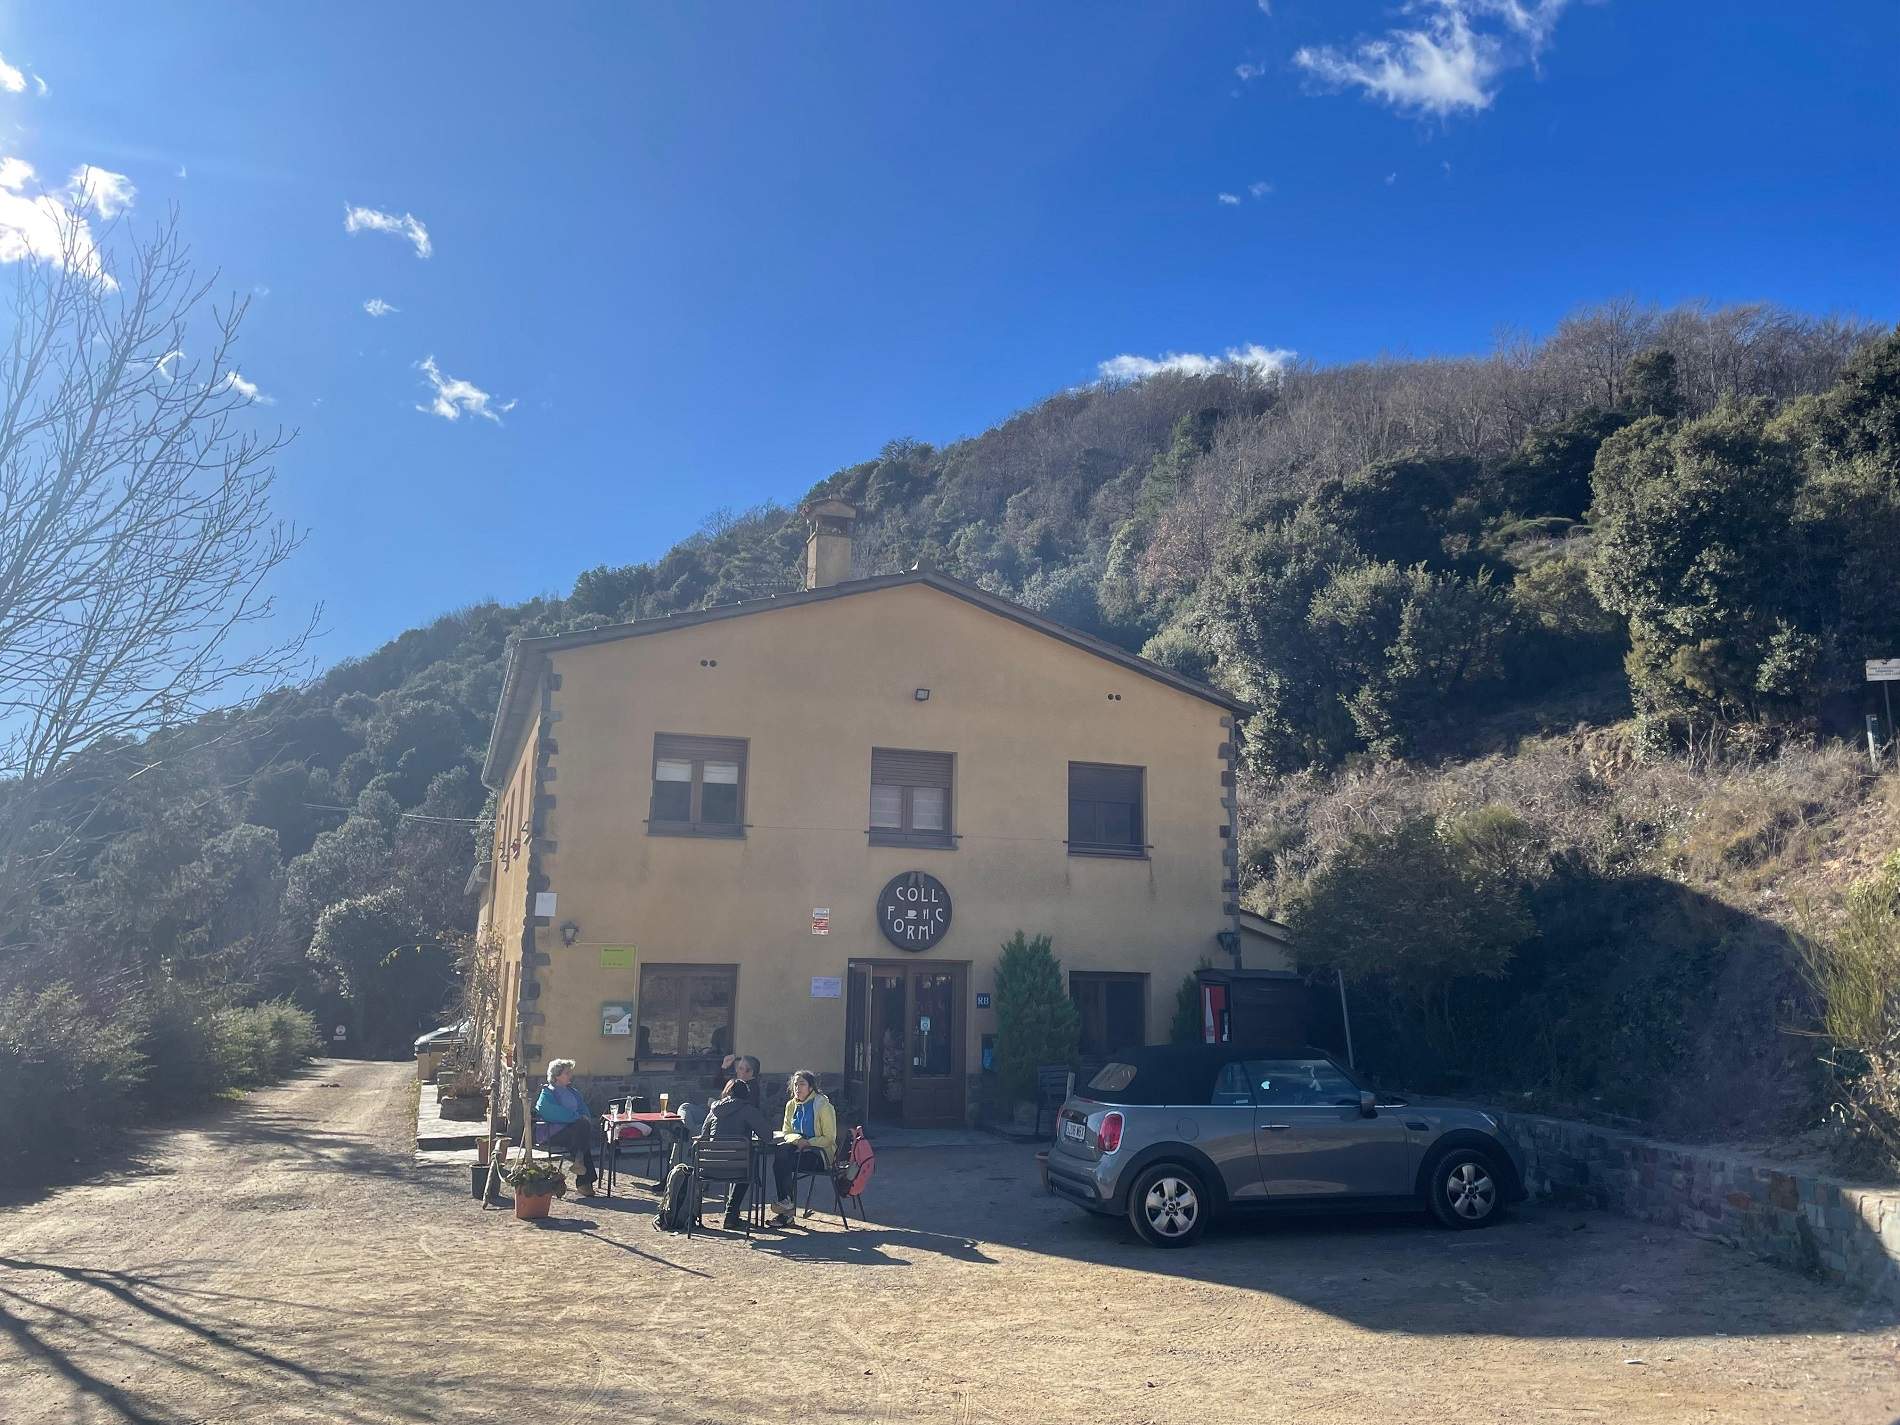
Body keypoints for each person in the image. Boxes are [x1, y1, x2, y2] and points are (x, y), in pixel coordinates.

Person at [694, 1077, 774, 1229]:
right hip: (738, 1169)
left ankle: (701, 1217)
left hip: (710, 1169)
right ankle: (731, 1214)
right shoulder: (748, 1110)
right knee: (748, 1163)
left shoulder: (714, 1111)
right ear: (746, 1095)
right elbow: (768, 1136)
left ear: (727, 1093)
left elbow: (702, 1137)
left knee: (739, 1161)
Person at [769, 1070, 836, 1226]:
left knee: (784, 1161)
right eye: (795, 1085)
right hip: (797, 1150)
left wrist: (808, 1143)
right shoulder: (791, 1105)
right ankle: (786, 1205)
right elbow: (786, 1132)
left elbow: (829, 1138)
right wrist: (798, 1140)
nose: (798, 1088)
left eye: (802, 1084)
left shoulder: (823, 1106)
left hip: (819, 1155)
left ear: (811, 1087)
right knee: (781, 1154)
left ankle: (786, 1211)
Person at [534, 1059, 598, 1194]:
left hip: (574, 1132)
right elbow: (549, 1111)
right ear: (557, 1076)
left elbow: (583, 1109)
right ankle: (583, 1180)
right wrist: (575, 1117)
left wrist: (583, 1117)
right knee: (581, 1133)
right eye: (567, 1073)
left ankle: (580, 1164)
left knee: (581, 1129)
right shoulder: (547, 1093)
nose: (571, 1076)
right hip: (553, 1133)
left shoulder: (573, 1092)